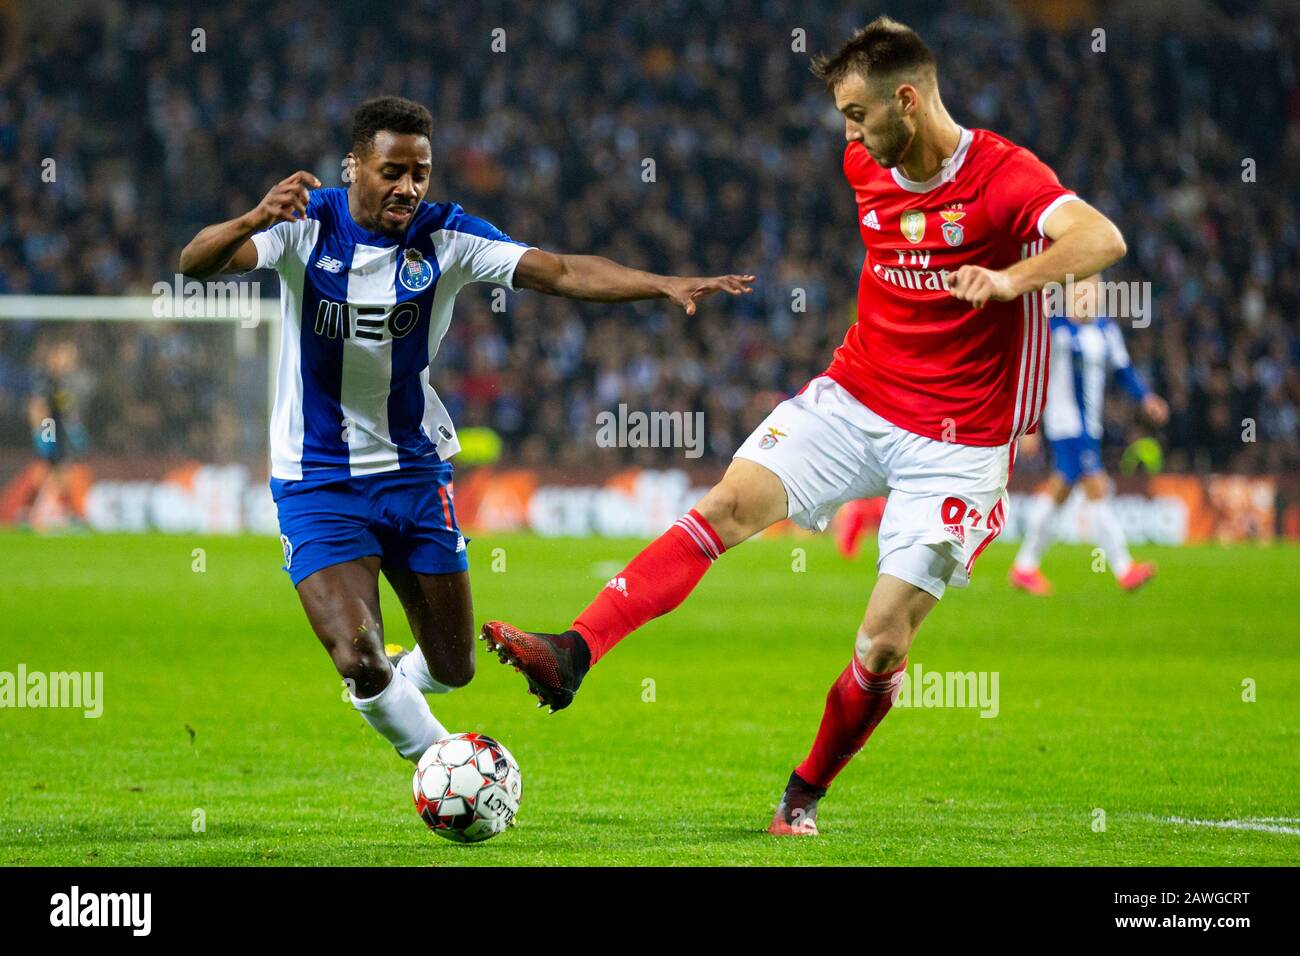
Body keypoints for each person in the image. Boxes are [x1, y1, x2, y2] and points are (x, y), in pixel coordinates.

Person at [481, 17, 1127, 835]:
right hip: (857, 395)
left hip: (958, 440)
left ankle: (803, 793)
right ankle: (572, 653)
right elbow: (885, 69)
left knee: (883, 644)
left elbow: (1101, 237)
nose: (848, 134)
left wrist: (1010, 280)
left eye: (857, 114)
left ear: (907, 100)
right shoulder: (867, 162)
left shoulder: (1002, 177)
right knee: (725, 504)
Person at [179, 96, 753, 764]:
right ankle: (444, 763)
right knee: (359, 657)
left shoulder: (447, 235)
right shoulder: (304, 226)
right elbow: (194, 263)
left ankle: (398, 691)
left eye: (420, 173)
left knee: (454, 668)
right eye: (392, 171)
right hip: (318, 479)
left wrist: (662, 284)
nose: (408, 187)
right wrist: (253, 218)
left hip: (413, 472)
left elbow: (560, 270)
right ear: (353, 167)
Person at [1009, 275, 1168, 594]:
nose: (1090, 294)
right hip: (1066, 425)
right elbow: (1032, 371)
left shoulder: (1106, 330)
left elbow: (1124, 371)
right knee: (1097, 487)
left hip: (1091, 427)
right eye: (1083, 288)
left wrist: (1146, 398)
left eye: (1095, 289)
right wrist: (1029, 425)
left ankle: (1024, 567)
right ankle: (1124, 568)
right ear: (1069, 292)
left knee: (1060, 491)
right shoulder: (1054, 328)